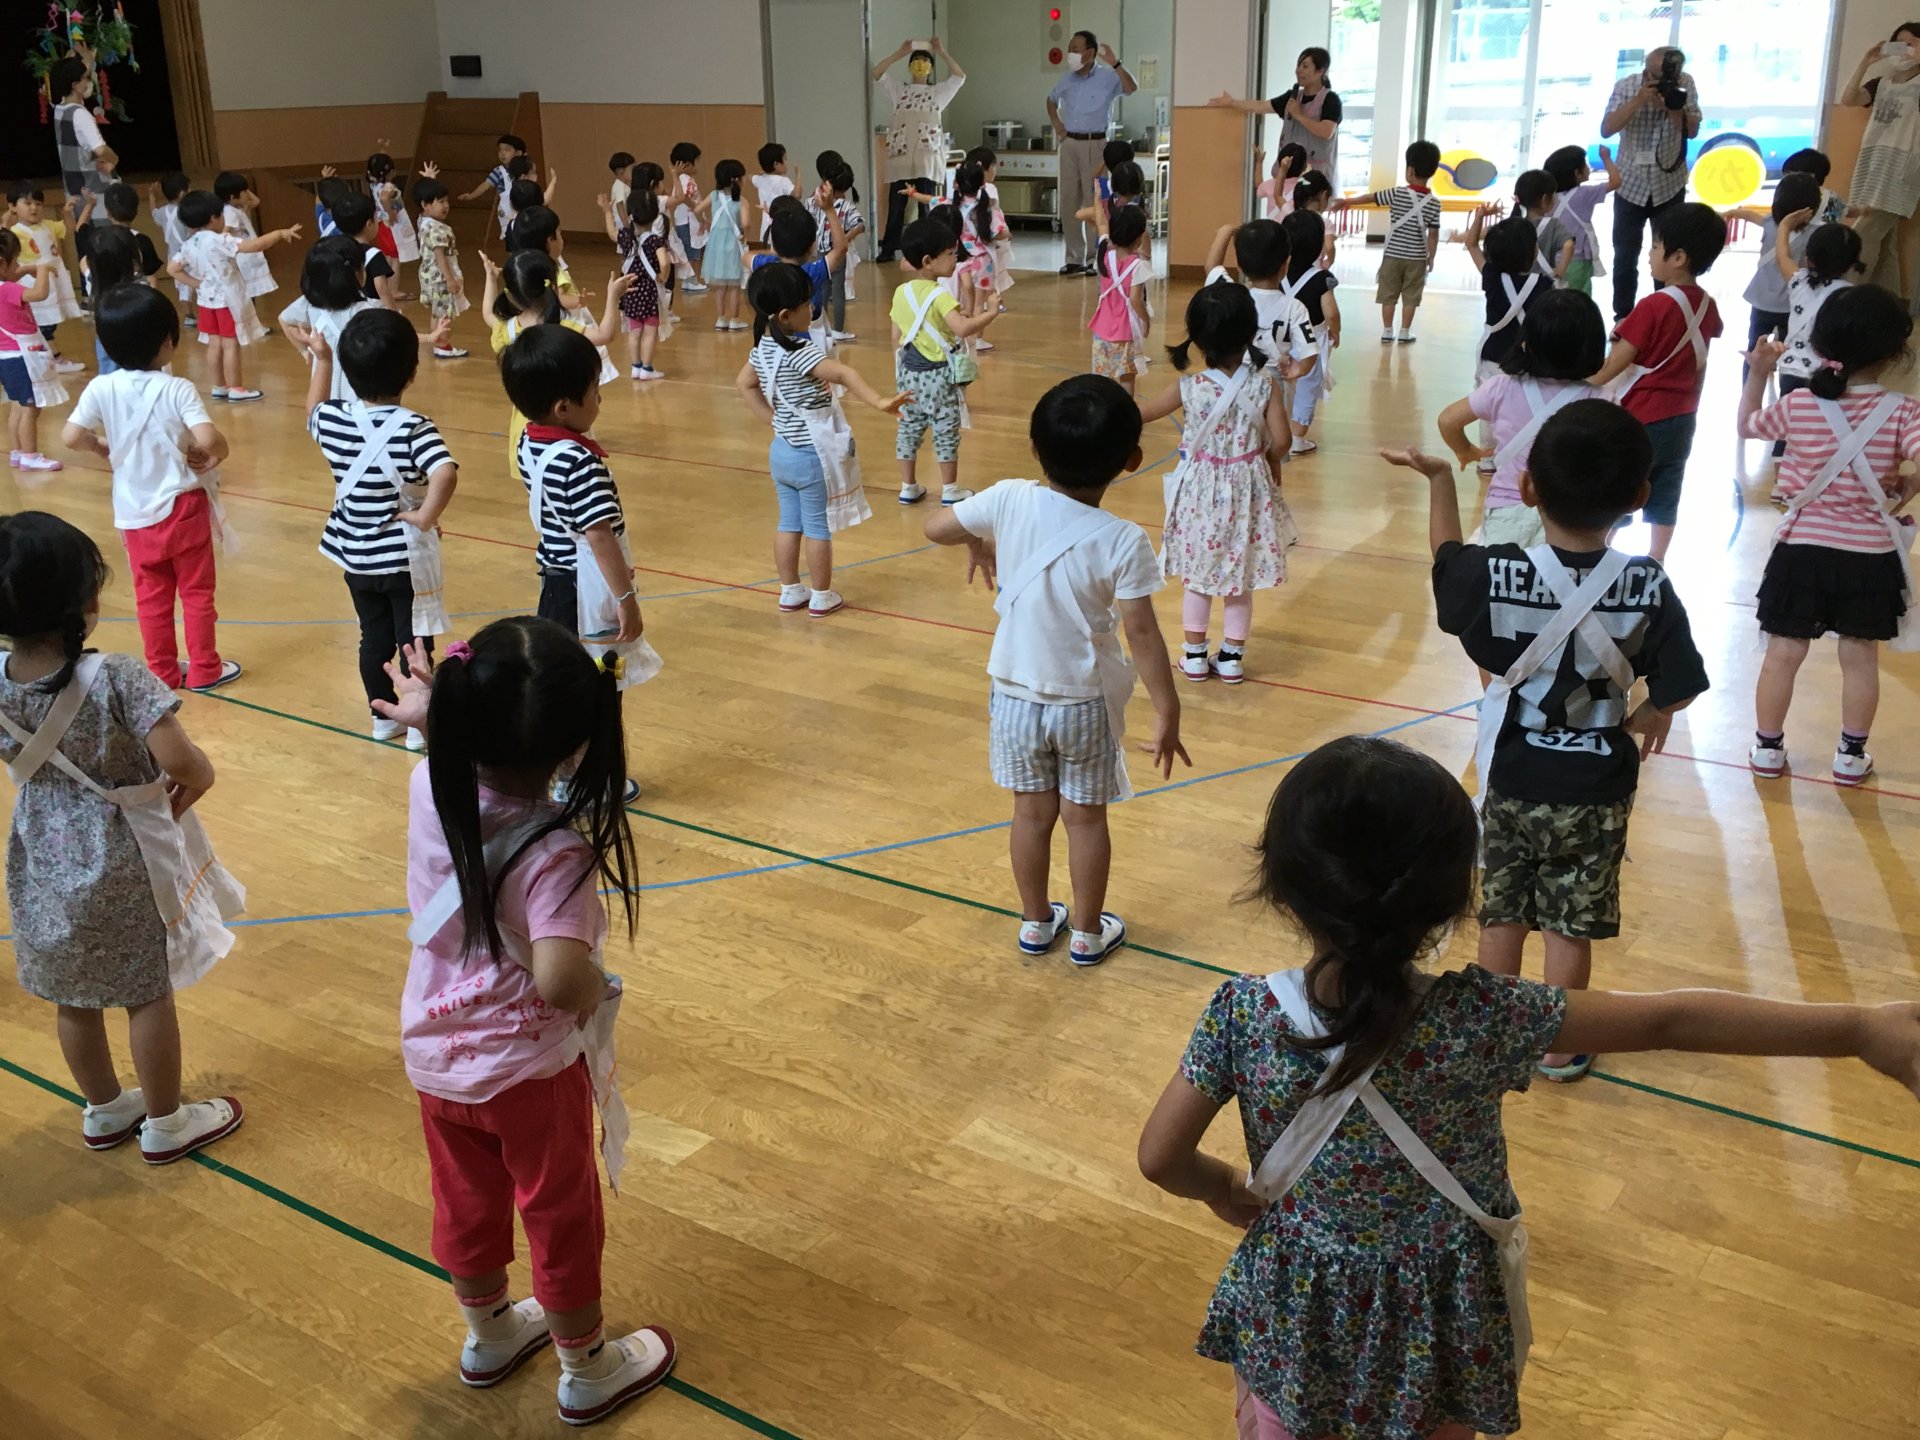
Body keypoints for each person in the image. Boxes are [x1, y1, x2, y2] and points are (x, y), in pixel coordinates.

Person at [1137, 732, 1920, 1440]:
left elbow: (1160, 1157)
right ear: (1452, 898)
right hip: (1435, 1313)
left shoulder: (1239, 1014)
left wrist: (1221, 1187)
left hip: (1297, 1307)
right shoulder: (1483, 1017)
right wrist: (1856, 1030)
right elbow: (1667, 1021)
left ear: (1280, 883)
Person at [380, 616, 675, 1425]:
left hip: (436, 1056)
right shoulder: (557, 853)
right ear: (577, 745)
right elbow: (557, 978)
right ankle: (587, 1368)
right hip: (525, 1075)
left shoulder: (428, 787)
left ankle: (488, 1335)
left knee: (466, 1202)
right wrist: (592, 986)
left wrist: (430, 715)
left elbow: (459, 747)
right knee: (560, 1210)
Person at [1384, 400, 1709, 1082]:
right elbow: (1682, 679)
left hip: (1512, 773)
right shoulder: (1646, 584)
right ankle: (1562, 1047)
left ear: (1527, 486)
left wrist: (1443, 481)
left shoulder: (1500, 572)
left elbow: (1447, 565)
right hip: (1597, 790)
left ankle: (1496, 1036)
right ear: (1640, 497)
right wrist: (1650, 714)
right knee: (1570, 924)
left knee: (1503, 912)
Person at [0, 510, 249, 1165]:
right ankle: (167, 1122)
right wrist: (189, 787)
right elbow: (186, 766)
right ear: (85, 604)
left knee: (72, 994)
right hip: (123, 851)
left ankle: (106, 1107)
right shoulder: (115, 676)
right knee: (145, 992)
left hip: (39, 850)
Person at [923, 374, 1187, 964]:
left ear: (1035, 449)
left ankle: (1037, 923)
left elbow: (936, 526)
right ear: (1131, 461)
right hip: (1083, 705)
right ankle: (1090, 933)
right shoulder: (1123, 540)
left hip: (1014, 696)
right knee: (1085, 821)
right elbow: (1142, 633)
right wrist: (1168, 708)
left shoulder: (1010, 498)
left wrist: (978, 539)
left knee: (1030, 814)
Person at [1739, 286, 1920, 786]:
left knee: (1783, 653)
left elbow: (1747, 425)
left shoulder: (1799, 404)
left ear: (1820, 349)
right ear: (1892, 355)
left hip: (1801, 551)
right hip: (1869, 556)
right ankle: (1849, 755)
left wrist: (1759, 372)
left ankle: (1768, 749)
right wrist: (1910, 481)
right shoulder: (1903, 411)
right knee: (1860, 658)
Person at [62, 283, 242, 692]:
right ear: (167, 342)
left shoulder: (101, 387)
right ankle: (204, 668)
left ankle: (161, 672)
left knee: (151, 599)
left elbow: (72, 436)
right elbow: (209, 439)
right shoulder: (176, 388)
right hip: (183, 507)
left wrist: (100, 446)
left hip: (134, 514)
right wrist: (216, 454)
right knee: (196, 593)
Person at [302, 308, 459, 748]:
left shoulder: (333, 420)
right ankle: (418, 724)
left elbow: (312, 409)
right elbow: (444, 472)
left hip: (356, 556)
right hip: (404, 558)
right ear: (412, 372)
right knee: (415, 641)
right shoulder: (414, 428)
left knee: (373, 638)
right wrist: (426, 516)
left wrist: (322, 358)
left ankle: (381, 715)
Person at [1140, 283, 1297, 685]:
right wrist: (1265, 459)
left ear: (1197, 337)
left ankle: (1194, 655)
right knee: (1239, 579)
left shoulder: (1188, 387)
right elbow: (1282, 442)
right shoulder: (1265, 385)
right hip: (1248, 490)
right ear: (1250, 333)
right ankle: (1231, 657)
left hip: (1200, 493)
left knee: (1198, 575)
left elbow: (1140, 414)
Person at [735, 263, 906, 618]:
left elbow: (744, 384)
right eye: (806, 304)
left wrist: (772, 419)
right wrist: (879, 401)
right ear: (786, 315)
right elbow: (843, 372)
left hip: (782, 452)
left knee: (788, 522)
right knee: (817, 526)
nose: (812, 309)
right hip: (811, 454)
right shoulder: (801, 352)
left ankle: (789, 590)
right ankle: (821, 594)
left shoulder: (762, 348)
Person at [1589, 202, 1725, 562]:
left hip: (1642, 416)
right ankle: (1656, 559)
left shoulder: (1653, 305)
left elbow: (1617, 364)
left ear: (1678, 256)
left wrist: (1584, 381)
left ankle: (1601, 552)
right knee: (1667, 487)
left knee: (1623, 485)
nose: (1649, 254)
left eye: (1655, 246)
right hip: (1684, 416)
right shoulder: (1707, 305)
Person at [1438, 288, 1609, 550]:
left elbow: (1448, 420)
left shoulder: (1501, 387)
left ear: (1526, 343)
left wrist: (1466, 451)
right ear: (1594, 346)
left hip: (1506, 507)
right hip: (1571, 516)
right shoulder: (1601, 400)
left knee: (1504, 582)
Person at [482, 249, 629, 478]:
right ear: (551, 288)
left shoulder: (507, 329)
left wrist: (490, 279)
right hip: (563, 424)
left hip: (525, 432)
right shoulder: (560, 330)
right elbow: (605, 335)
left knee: (540, 492)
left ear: (510, 294)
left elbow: (488, 315)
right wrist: (613, 297)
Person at [890, 216, 998, 507]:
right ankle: (950, 488)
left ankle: (908, 486)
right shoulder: (940, 295)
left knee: (909, 429)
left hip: (909, 374)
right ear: (928, 260)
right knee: (945, 428)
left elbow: (896, 336)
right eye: (950, 253)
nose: (955, 258)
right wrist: (990, 312)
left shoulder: (901, 292)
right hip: (938, 376)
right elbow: (962, 328)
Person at [166, 190, 300, 403]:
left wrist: (197, 284)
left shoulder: (190, 244)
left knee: (214, 344)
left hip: (206, 302)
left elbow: (172, 269)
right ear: (214, 218)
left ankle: (219, 386)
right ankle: (236, 388)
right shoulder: (218, 240)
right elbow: (252, 246)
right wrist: (279, 234)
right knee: (231, 345)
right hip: (226, 301)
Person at [1599, 46, 1702, 321]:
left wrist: (1671, 109)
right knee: (1625, 255)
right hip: (1630, 184)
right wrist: (1639, 100)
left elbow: (1692, 130)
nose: (1666, 80)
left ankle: (1663, 313)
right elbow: (1607, 129)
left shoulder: (1685, 84)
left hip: (1668, 184)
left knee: (1668, 256)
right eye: (1658, 76)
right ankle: (1623, 316)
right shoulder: (1627, 85)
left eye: (1671, 74)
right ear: (1646, 72)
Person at [1837, 25, 1920, 300]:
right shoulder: (1882, 82)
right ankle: (1893, 310)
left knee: (1865, 232)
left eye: (1912, 44)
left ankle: (1844, 296)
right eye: (1898, 44)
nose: (1905, 51)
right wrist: (1866, 61)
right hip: (1872, 163)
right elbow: (1848, 99)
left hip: (1901, 169)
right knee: (1886, 246)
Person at [1331, 141, 1443, 344]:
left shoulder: (1396, 193)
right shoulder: (1434, 203)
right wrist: (1431, 257)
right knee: (1411, 296)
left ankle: (1387, 330)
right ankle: (1405, 332)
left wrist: (1347, 202)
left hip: (1392, 255)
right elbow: (1433, 234)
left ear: (1409, 170)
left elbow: (1370, 198)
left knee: (1388, 294)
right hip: (1417, 257)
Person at [1048, 32, 1138, 275]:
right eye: (1069, 48)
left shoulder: (1108, 78)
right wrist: (1057, 122)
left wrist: (1115, 63)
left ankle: (1093, 258)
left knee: (1095, 201)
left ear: (1090, 52)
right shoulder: (1066, 79)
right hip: (1070, 143)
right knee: (1069, 200)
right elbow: (1051, 99)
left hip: (1096, 144)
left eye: (1075, 48)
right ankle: (1073, 257)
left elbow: (1131, 88)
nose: (1070, 53)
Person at [872, 38, 966, 263]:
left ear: (931, 67)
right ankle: (888, 249)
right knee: (897, 207)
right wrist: (900, 52)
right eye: (916, 60)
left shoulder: (938, 93)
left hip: (926, 159)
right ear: (909, 65)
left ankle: (928, 249)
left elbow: (959, 76)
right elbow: (877, 73)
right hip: (901, 160)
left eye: (925, 60)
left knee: (927, 208)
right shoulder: (899, 91)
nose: (920, 64)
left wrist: (942, 52)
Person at [1735, 172, 1825, 384]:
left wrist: (1733, 212)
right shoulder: (1815, 234)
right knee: (1790, 352)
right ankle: (1788, 393)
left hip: (1762, 302)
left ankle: (1749, 387)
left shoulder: (1769, 225)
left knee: (1755, 348)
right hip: (1792, 307)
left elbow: (1751, 216)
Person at [1201, 219, 1317, 383]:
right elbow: (1309, 351)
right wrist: (1299, 369)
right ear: (1286, 264)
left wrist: (1225, 231)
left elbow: (1212, 267)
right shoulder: (1295, 308)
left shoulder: (1231, 297)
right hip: (1275, 384)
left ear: (1239, 266)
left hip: (1235, 382)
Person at [1209, 48, 1343, 178]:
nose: (1298, 71)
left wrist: (1299, 115)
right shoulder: (1292, 97)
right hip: (1286, 175)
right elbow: (1261, 106)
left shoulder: (1330, 100)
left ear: (1320, 71)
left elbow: (1326, 131)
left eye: (1305, 66)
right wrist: (1231, 102)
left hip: (1315, 179)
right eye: (1298, 66)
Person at [277, 237, 378, 402]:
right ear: (358, 274)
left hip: (322, 387)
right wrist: (428, 338)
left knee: (326, 422)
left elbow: (285, 320)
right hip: (358, 391)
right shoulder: (369, 310)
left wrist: (304, 351)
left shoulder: (309, 304)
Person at [603, 163, 672, 381]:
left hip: (629, 289)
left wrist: (607, 211)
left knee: (634, 330)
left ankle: (635, 366)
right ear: (655, 215)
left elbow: (612, 233)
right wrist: (663, 276)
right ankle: (648, 368)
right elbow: (665, 262)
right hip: (649, 291)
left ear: (631, 214)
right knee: (650, 330)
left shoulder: (626, 237)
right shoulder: (655, 240)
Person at [7, 183, 86, 373]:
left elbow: (68, 230)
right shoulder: (14, 232)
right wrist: (5, 222)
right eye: (27, 203)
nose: (34, 208)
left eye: (38, 203)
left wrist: (67, 213)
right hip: (32, 282)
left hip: (50, 279)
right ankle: (52, 360)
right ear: (13, 207)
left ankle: (49, 358)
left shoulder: (48, 225)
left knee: (48, 323)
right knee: (41, 323)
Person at [1279, 211, 1339, 455]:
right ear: (1318, 248)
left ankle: (1275, 429)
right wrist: (1336, 331)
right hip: (1310, 342)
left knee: (1279, 384)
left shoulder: (1276, 273)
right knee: (1307, 386)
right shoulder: (1322, 278)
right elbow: (1331, 312)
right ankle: (1296, 437)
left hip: (1279, 340)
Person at [47, 55, 116, 261]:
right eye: (86, 77)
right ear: (76, 85)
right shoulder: (81, 115)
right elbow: (101, 150)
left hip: (75, 192)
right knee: (105, 251)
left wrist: (86, 61)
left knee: (86, 251)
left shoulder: (59, 110)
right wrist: (115, 158)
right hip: (95, 194)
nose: (89, 81)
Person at [0, 232, 59, 470]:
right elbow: (39, 293)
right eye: (16, 261)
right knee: (30, 407)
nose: (19, 267)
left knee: (17, 404)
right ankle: (30, 455)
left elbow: (11, 275)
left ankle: (17, 451)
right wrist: (43, 270)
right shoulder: (6, 290)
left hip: (6, 358)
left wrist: (23, 270)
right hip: (21, 357)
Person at [1542, 144, 1620, 297]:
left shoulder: (1547, 197)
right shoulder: (1584, 194)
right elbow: (1616, 181)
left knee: (1556, 298)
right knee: (1579, 299)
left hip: (1551, 260)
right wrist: (1606, 158)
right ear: (1577, 173)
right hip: (1578, 260)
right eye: (1585, 164)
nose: (1588, 166)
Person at [1089, 205, 1152, 395]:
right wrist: (1147, 320)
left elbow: (1101, 224)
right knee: (1127, 379)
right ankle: (1125, 415)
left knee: (1101, 378)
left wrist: (1098, 199)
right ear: (1139, 237)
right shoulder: (1138, 265)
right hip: (1126, 332)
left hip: (1101, 329)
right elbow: (1135, 299)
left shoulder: (1104, 255)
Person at [413, 175, 469, 359]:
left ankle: (438, 343)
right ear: (425, 205)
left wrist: (429, 181)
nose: (445, 206)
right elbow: (440, 256)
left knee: (437, 312)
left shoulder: (423, 221)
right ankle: (443, 346)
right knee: (445, 313)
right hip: (440, 278)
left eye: (446, 201)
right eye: (440, 201)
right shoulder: (437, 229)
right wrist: (450, 279)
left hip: (429, 276)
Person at [692, 159, 748, 331]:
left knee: (720, 286)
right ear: (737, 179)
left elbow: (696, 210)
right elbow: (746, 223)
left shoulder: (714, 195)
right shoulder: (741, 201)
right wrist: (745, 235)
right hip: (732, 243)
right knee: (733, 285)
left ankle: (721, 319)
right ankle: (734, 320)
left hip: (715, 244)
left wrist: (706, 222)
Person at [214, 172, 278, 305]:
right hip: (243, 257)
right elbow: (225, 234)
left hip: (248, 255)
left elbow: (256, 201)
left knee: (249, 294)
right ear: (233, 196)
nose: (247, 194)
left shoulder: (235, 208)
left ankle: (253, 323)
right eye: (243, 192)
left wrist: (242, 187)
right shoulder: (230, 212)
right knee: (247, 295)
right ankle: (250, 323)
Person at [458, 134, 528, 242]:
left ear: (518, 153)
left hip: (524, 207)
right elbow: (486, 185)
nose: (502, 153)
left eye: (507, 150)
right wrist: (472, 195)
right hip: (507, 210)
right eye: (500, 150)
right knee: (510, 237)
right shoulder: (499, 171)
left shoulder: (526, 169)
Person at [1513, 168, 1574, 288]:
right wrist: (1560, 270)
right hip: (1543, 284)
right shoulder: (1553, 225)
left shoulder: (1514, 225)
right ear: (1545, 199)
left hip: (1517, 284)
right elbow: (1569, 245)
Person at [151, 171, 193, 319]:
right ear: (182, 193)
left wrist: (152, 196)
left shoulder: (162, 212)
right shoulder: (186, 210)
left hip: (174, 256)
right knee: (201, 282)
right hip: (191, 251)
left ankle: (188, 316)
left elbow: (154, 213)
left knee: (182, 286)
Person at [667, 141, 708, 294]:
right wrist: (695, 208)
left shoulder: (682, 179)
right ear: (686, 164)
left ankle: (691, 280)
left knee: (692, 251)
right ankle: (691, 280)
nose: (698, 164)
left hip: (687, 221)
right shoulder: (686, 179)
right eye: (697, 161)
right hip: (688, 222)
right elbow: (684, 197)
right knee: (693, 252)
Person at [751, 144, 795, 244]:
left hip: (765, 227)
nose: (787, 163)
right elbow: (797, 194)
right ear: (776, 164)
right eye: (785, 159)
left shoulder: (760, 179)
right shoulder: (783, 181)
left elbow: (750, 176)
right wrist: (799, 175)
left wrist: (762, 172)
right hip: (782, 225)